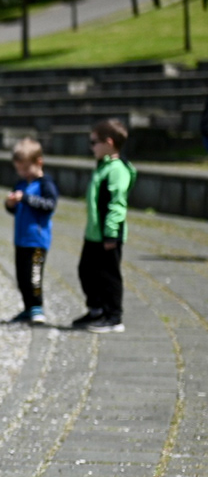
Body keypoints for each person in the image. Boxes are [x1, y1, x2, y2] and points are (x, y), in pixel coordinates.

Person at [74, 119, 135, 333]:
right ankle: (96, 309)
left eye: (94, 142)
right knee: (86, 271)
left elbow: (116, 204)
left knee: (108, 275)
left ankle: (113, 316)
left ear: (108, 142)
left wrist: (111, 234)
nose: (91, 147)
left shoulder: (117, 170)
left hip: (108, 233)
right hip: (94, 233)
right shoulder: (104, 166)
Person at [5, 138, 57, 326]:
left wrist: (26, 198)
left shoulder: (45, 184)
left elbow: (49, 205)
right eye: (19, 169)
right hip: (21, 239)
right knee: (21, 277)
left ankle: (37, 307)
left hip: (38, 239)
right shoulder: (21, 183)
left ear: (39, 162)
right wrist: (10, 204)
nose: (23, 173)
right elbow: (15, 210)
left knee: (34, 275)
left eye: (26, 169)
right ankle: (28, 307)